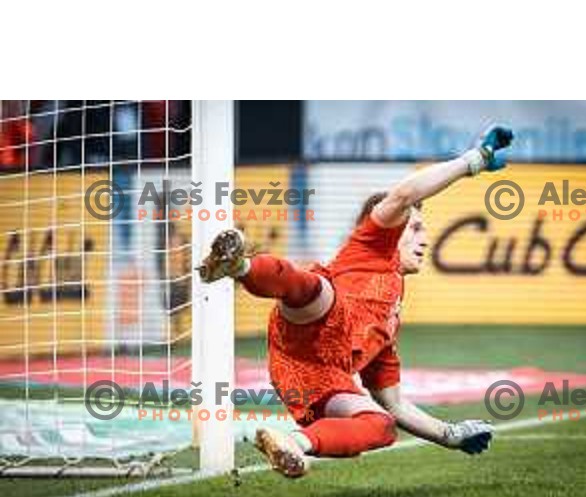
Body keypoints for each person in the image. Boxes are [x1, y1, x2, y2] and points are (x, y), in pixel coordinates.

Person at [198, 126, 513, 478]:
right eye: (416, 228)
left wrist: (449, 435)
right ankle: (238, 265)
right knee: (317, 290)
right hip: (309, 327)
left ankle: (292, 444)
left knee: (382, 425)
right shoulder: (370, 245)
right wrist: (475, 160)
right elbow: (405, 194)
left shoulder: (391, 318)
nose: (425, 237)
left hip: (318, 379)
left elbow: (393, 403)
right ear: (391, 228)